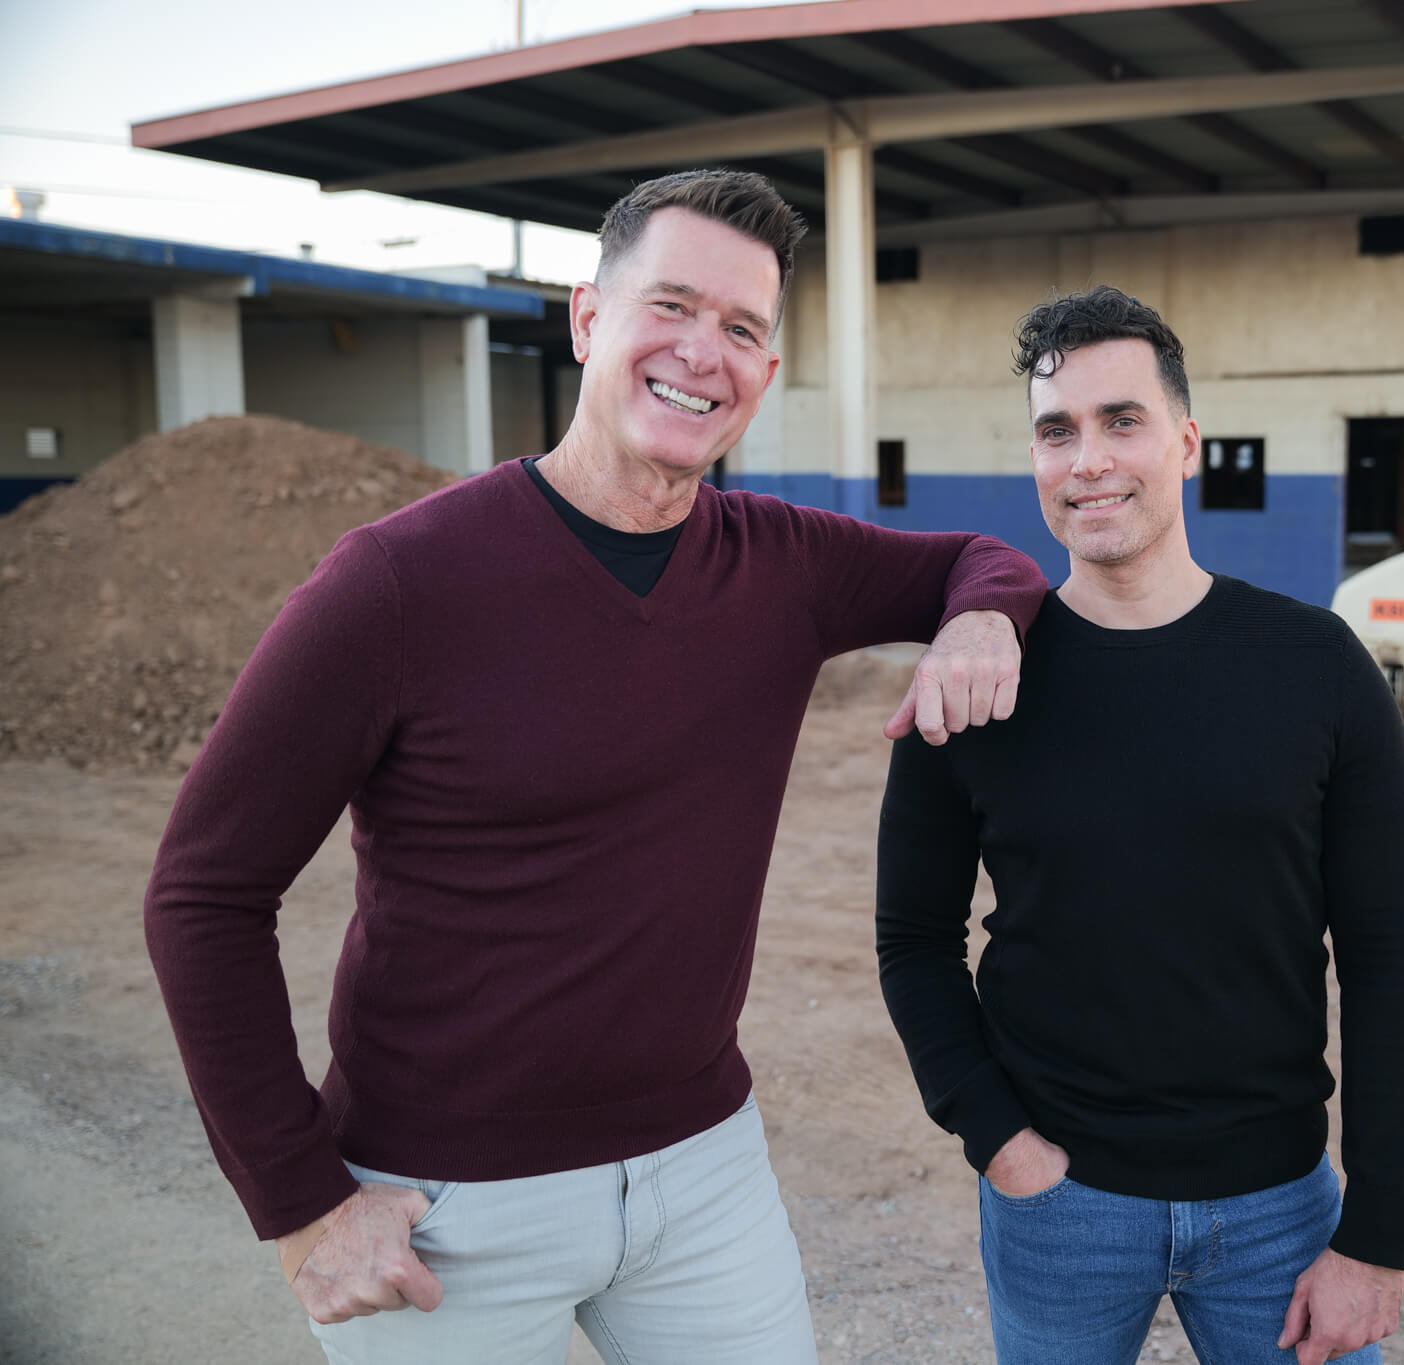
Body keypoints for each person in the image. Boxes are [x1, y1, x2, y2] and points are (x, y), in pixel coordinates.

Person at [143, 169, 1047, 1365]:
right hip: (444, 1204)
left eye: (739, 329)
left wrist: (983, 619)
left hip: (703, 1175)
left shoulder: (782, 564)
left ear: (765, 376)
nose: (701, 353)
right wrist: (301, 1202)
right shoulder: (396, 584)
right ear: (585, 320)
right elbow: (203, 895)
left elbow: (983, 558)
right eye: (668, 306)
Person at [875, 286, 1404, 1365]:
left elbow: (1383, 962)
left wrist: (1376, 1235)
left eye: (1119, 421)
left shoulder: (1315, 669)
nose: (1086, 460)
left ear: (1184, 443)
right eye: (1056, 431)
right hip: (1060, 1209)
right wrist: (998, 1143)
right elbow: (912, 943)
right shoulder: (976, 681)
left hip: (1279, 1206)